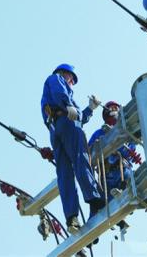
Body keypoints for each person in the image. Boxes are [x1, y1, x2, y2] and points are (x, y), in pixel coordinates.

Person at [41, 63, 105, 234]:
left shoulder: (61, 97)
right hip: (67, 124)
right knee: (80, 159)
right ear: (64, 74)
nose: (72, 83)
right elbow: (62, 96)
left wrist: (90, 108)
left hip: (56, 129)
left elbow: (79, 116)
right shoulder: (55, 79)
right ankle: (94, 199)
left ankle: (72, 218)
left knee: (64, 173)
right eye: (71, 79)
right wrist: (67, 103)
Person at [88, 101, 141, 233]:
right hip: (106, 174)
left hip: (123, 170)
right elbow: (89, 153)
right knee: (98, 200)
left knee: (131, 181)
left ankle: (122, 211)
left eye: (116, 108)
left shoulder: (125, 130)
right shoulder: (99, 133)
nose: (114, 110)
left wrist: (120, 148)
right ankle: (91, 230)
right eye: (111, 108)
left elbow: (130, 150)